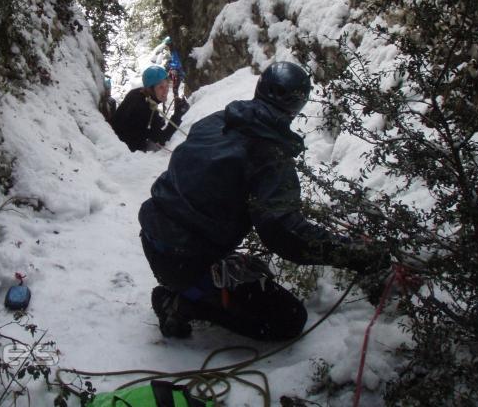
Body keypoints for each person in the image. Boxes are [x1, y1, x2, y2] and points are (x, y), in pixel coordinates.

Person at [138, 62, 390, 340]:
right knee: (288, 320)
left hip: (154, 237)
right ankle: (181, 303)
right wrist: (355, 254)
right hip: (184, 258)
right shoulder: (269, 157)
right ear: (296, 106)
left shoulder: (217, 120)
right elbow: (284, 234)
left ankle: (192, 287)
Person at [110, 65, 189, 152]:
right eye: (161, 87)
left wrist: (157, 121)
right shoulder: (143, 107)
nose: (166, 90)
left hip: (116, 140)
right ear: (150, 89)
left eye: (167, 86)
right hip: (126, 152)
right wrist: (178, 115)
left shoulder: (137, 93)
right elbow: (161, 139)